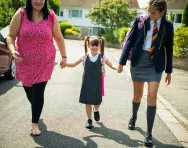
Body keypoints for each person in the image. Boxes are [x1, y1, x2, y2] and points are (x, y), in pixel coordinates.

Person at [117, 0, 174, 147]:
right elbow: (130, 41)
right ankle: (133, 117)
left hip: (155, 64)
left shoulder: (168, 26)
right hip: (138, 61)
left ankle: (149, 133)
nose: (150, 14)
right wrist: (121, 62)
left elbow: (169, 49)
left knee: (152, 96)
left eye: (153, 13)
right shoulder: (140, 20)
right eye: (148, 11)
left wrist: (169, 71)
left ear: (162, 12)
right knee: (137, 95)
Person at [6, 0, 67, 136]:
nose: (38, 1)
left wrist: (64, 57)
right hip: (24, 62)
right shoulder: (21, 14)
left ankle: (34, 124)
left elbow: (58, 37)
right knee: (29, 91)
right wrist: (11, 50)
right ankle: (36, 108)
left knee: (38, 92)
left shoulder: (50, 16)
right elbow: (10, 36)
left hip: (45, 62)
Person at [65, 36, 117, 129]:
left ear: (100, 46)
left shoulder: (102, 56)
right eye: (92, 45)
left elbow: (111, 64)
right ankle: (89, 120)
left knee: (97, 102)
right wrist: (65, 64)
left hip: (98, 83)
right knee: (88, 101)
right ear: (88, 45)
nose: (94, 47)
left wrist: (117, 67)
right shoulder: (84, 56)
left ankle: (96, 110)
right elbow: (73, 64)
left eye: (96, 45)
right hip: (87, 82)